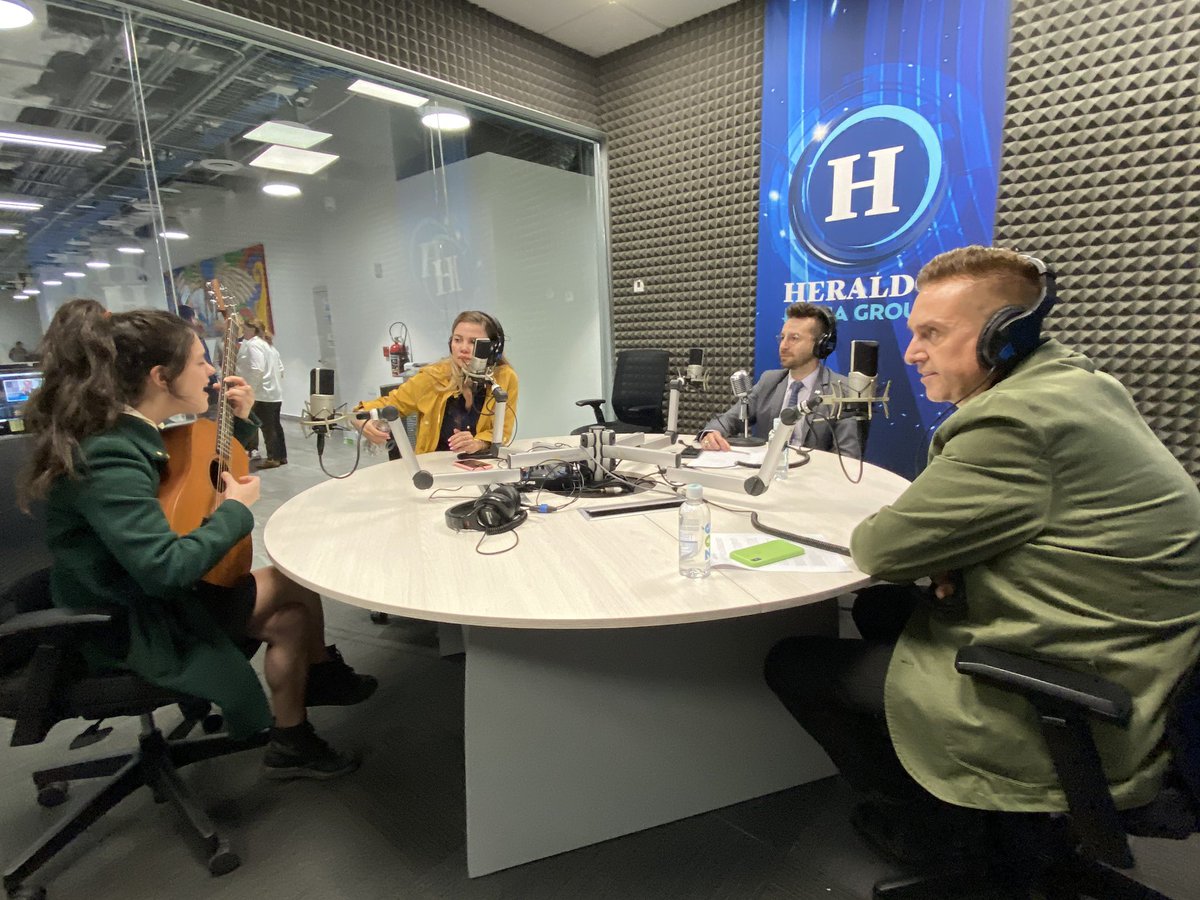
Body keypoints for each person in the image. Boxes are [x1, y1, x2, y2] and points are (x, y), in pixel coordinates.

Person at [764, 246, 1200, 867]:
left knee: (795, 663)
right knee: (882, 609)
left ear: (1004, 336)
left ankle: (938, 834)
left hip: (1097, 688)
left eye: (933, 334)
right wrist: (956, 561)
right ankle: (967, 812)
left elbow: (880, 548)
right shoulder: (1077, 385)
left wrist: (943, 558)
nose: (912, 353)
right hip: (1140, 654)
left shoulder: (1014, 423)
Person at [18, 299, 378, 779]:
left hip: (142, 595)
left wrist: (241, 421)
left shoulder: (130, 430)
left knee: (291, 619)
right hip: (125, 620)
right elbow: (165, 569)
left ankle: (293, 737)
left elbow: (194, 469)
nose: (211, 371)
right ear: (160, 378)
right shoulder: (109, 455)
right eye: (199, 361)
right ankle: (322, 677)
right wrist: (235, 512)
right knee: (293, 583)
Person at [698, 302, 861, 458]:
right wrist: (712, 433)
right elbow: (729, 419)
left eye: (794, 338)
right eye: (782, 337)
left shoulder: (842, 390)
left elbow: (848, 456)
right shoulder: (769, 381)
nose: (783, 345)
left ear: (821, 344)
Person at [355, 310, 518, 454]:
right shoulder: (433, 376)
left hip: (484, 467)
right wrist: (361, 419)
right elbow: (386, 404)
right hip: (434, 469)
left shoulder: (504, 378)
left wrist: (478, 443)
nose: (463, 348)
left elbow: (503, 431)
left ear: (493, 349)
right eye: (457, 340)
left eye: (473, 342)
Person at [237, 315, 287, 469]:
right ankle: (281, 456)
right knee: (275, 426)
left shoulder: (254, 345)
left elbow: (257, 369)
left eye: (245, 329)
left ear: (253, 330)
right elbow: (281, 369)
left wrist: (250, 389)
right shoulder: (269, 346)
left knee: (267, 427)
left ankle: (273, 458)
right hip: (274, 393)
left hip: (262, 393)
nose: (243, 332)